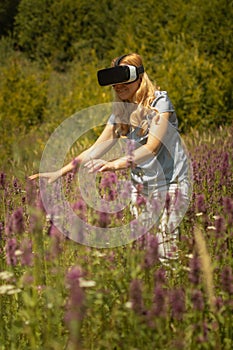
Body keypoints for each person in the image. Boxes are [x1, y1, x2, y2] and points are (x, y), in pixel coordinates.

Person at [29, 53, 191, 261]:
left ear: (138, 77)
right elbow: (96, 148)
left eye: (123, 80)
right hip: (141, 188)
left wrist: (115, 165)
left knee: (165, 247)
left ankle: (174, 289)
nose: (118, 86)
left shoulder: (160, 103)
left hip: (171, 184)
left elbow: (151, 147)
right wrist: (60, 172)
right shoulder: (120, 113)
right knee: (145, 250)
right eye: (113, 83)